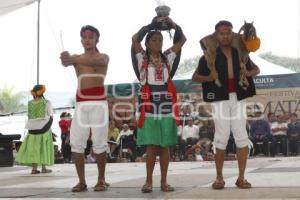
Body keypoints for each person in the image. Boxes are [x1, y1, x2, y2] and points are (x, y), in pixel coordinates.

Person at [192, 20, 260, 189]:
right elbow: (195, 76)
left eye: (228, 33)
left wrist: (247, 72)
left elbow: (256, 69)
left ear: (232, 34)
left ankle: (241, 177)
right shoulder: (209, 56)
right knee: (221, 136)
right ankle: (219, 178)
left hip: (239, 96)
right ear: (216, 35)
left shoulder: (241, 53)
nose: (225, 36)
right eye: (222, 33)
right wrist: (209, 77)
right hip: (220, 98)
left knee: (241, 135)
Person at [132, 16, 186, 193]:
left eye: (160, 40)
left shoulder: (167, 57)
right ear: (147, 43)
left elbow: (182, 40)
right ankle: (148, 181)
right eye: (154, 40)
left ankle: (164, 182)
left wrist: (172, 24)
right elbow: (134, 39)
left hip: (166, 102)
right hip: (148, 102)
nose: (158, 43)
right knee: (152, 145)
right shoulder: (141, 57)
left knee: (164, 145)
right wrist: (151, 26)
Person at [60, 25, 109, 192]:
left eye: (90, 37)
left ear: (96, 40)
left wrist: (73, 59)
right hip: (81, 103)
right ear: (81, 40)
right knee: (76, 143)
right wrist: (65, 58)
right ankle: (81, 181)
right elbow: (65, 62)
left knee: (99, 143)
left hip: (99, 103)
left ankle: (101, 179)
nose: (87, 40)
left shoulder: (103, 57)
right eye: (84, 37)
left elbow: (98, 62)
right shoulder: (76, 58)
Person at [15, 84, 54, 174]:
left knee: (34, 148)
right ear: (42, 92)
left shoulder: (30, 103)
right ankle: (44, 168)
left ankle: (34, 169)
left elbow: (29, 115)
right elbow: (50, 114)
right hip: (44, 128)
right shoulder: (46, 102)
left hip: (32, 128)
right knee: (43, 147)